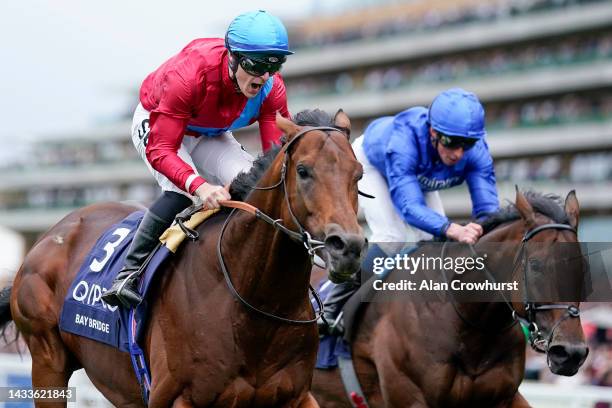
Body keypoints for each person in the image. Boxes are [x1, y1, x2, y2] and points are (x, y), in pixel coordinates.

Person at [102, 10, 293, 308]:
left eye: (275, 64)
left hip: (209, 131)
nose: (265, 76)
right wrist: (200, 186)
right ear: (233, 57)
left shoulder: (272, 88)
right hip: (160, 124)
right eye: (257, 65)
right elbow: (161, 150)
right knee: (182, 192)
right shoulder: (189, 75)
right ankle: (128, 273)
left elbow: (274, 156)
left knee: (255, 186)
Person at [320, 87, 500, 333]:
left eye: (466, 144)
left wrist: (483, 230)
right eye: (451, 142)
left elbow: (488, 209)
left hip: (419, 172)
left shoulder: (476, 152)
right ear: (433, 132)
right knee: (393, 239)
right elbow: (408, 207)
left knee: (432, 242)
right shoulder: (404, 140)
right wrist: (453, 228)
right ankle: (331, 303)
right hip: (373, 162)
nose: (458, 153)